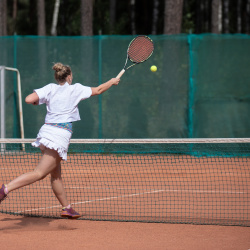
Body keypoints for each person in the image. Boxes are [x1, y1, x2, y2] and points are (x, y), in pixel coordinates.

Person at [0, 62, 120, 219]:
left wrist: (39, 101)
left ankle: (66, 208)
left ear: (57, 77)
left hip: (46, 134)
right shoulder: (75, 89)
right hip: (58, 136)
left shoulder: (50, 88)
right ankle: (5, 189)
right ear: (69, 76)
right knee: (39, 173)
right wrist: (112, 81)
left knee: (55, 175)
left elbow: (29, 99)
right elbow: (98, 90)